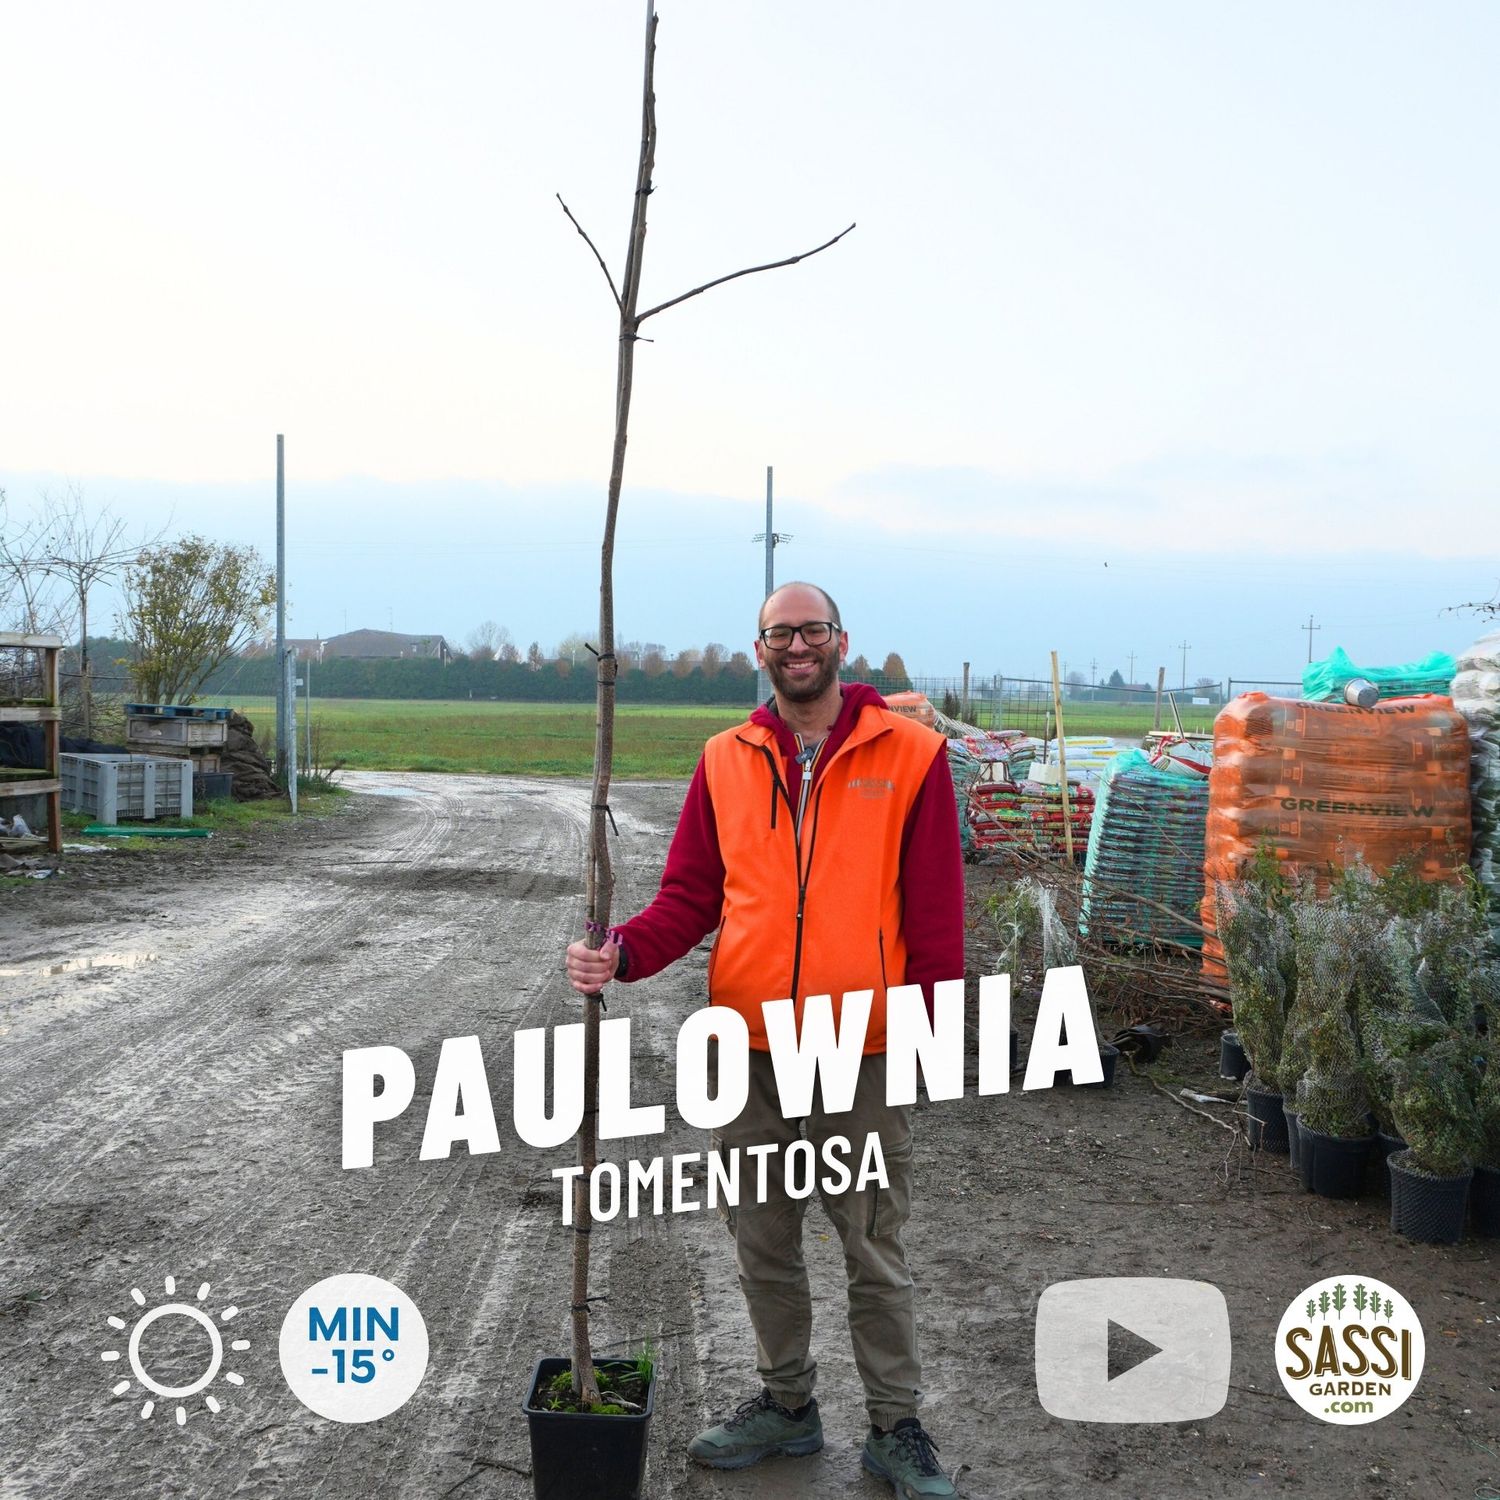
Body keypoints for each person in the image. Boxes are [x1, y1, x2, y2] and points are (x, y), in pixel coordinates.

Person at [566, 581, 964, 1499]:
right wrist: (619, 953)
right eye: (780, 633)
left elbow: (938, 923)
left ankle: (896, 1427)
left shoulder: (912, 757)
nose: (797, 645)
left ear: (840, 641)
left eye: (812, 630)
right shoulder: (724, 758)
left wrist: (931, 1040)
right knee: (762, 1239)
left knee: (871, 1244)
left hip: (859, 1050)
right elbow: (690, 899)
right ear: (760, 648)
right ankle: (788, 1406)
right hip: (747, 1052)